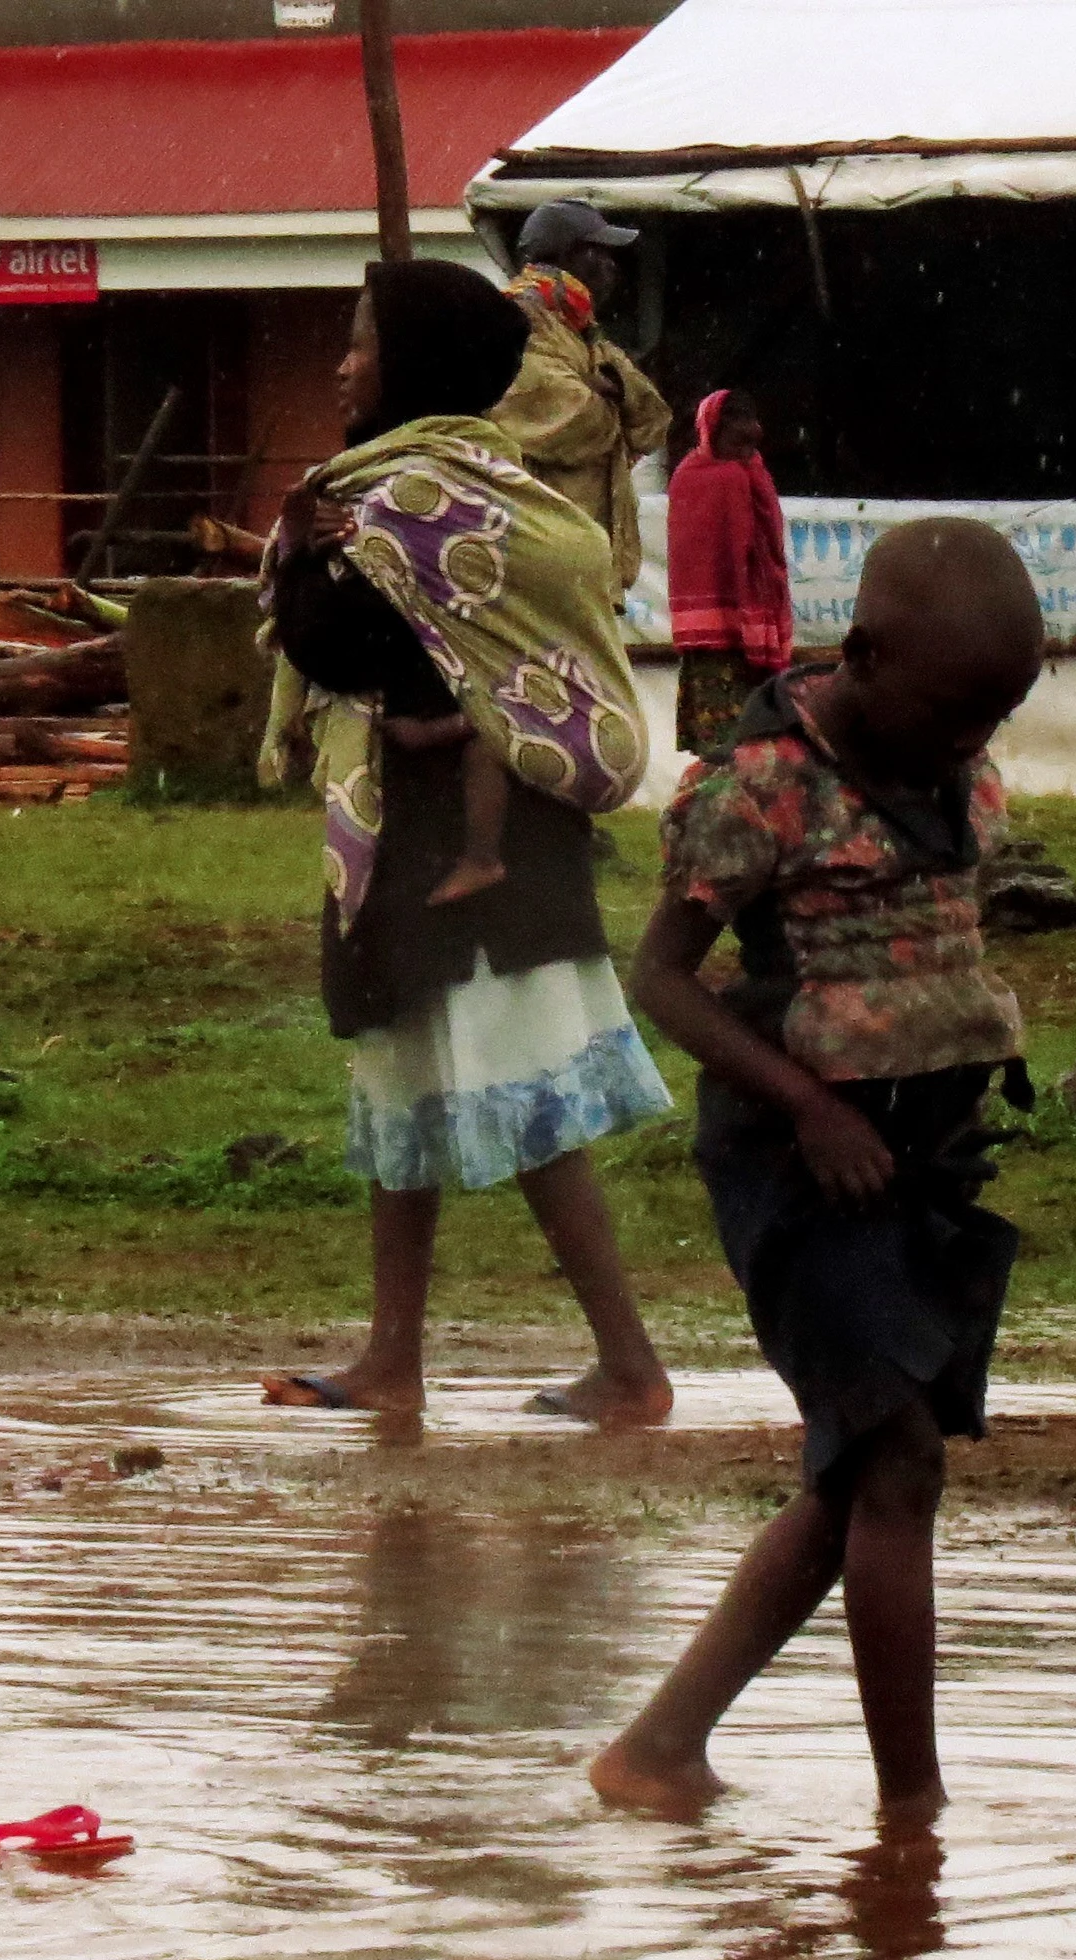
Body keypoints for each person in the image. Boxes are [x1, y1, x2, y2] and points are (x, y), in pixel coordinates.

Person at [588, 518, 1047, 1821]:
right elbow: (663, 981)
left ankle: (660, 1748)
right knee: (895, 1462)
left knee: (858, 1471)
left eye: (995, 717)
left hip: (919, 1162)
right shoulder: (759, 786)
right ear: (865, 655)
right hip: (802, 1169)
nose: (972, 741)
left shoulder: (947, 757)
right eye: (957, 710)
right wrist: (807, 1105)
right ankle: (915, 1819)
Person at [255, 258, 678, 1429]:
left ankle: (632, 1368)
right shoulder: (392, 490)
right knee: (402, 1097)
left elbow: (341, 641)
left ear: (416, 362)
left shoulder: (435, 499)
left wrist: (305, 558)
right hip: (406, 834)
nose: (340, 363)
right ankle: (393, 1356)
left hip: (480, 845)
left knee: (525, 1107)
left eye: (358, 341)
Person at [493, 199, 674, 611]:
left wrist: (612, 393)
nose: (612, 266)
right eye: (598, 251)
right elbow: (568, 422)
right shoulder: (519, 321)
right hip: (543, 562)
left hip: (584, 570)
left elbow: (653, 420)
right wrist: (610, 407)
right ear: (562, 254)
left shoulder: (581, 330)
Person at [669, 387, 794, 762]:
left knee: (748, 739)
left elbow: (765, 551)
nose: (744, 452)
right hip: (714, 636)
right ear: (712, 432)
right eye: (735, 441)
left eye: (749, 444)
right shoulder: (697, 478)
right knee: (727, 743)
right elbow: (700, 557)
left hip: (746, 630)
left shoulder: (753, 474)